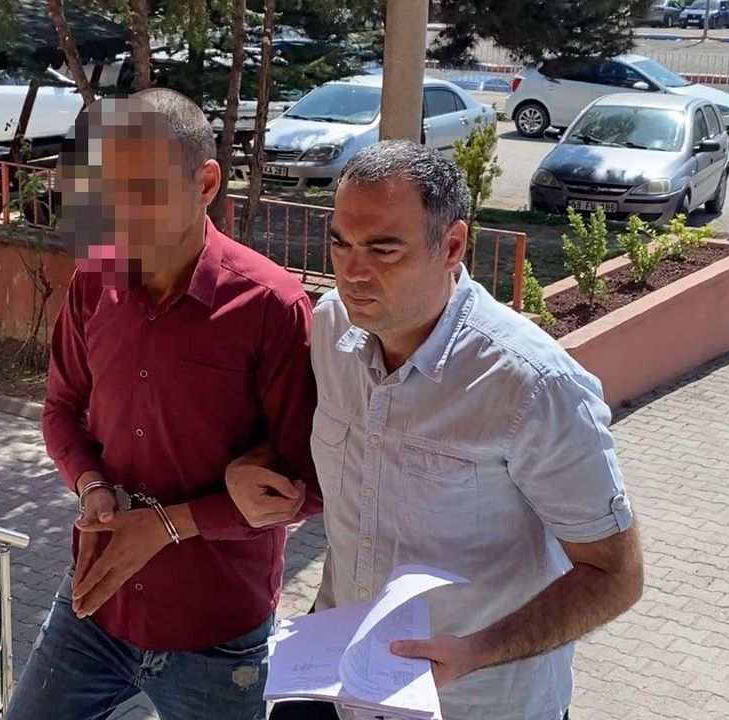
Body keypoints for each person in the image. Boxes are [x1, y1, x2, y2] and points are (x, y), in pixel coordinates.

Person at [228, 140, 645, 720]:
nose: (352, 272)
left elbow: (615, 575)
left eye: (384, 249)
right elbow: (331, 454)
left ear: (451, 246)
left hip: (473, 702)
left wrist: (476, 651)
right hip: (336, 682)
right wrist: (253, 465)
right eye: (340, 243)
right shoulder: (331, 329)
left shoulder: (534, 387)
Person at [3, 88, 321, 720]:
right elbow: (61, 409)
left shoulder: (270, 307)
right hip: (98, 603)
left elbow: (308, 488)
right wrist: (92, 485)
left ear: (205, 183)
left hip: (216, 634)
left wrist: (170, 525)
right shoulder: (94, 282)